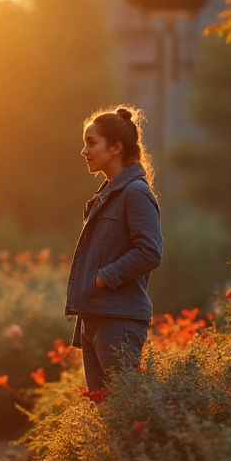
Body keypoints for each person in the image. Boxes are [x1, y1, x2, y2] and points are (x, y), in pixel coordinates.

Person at [65, 107, 164, 393]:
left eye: (92, 142)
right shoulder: (106, 195)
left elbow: (150, 252)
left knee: (127, 409)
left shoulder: (135, 193)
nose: (84, 150)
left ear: (116, 147)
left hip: (118, 319)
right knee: (108, 413)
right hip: (94, 316)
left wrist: (103, 277)